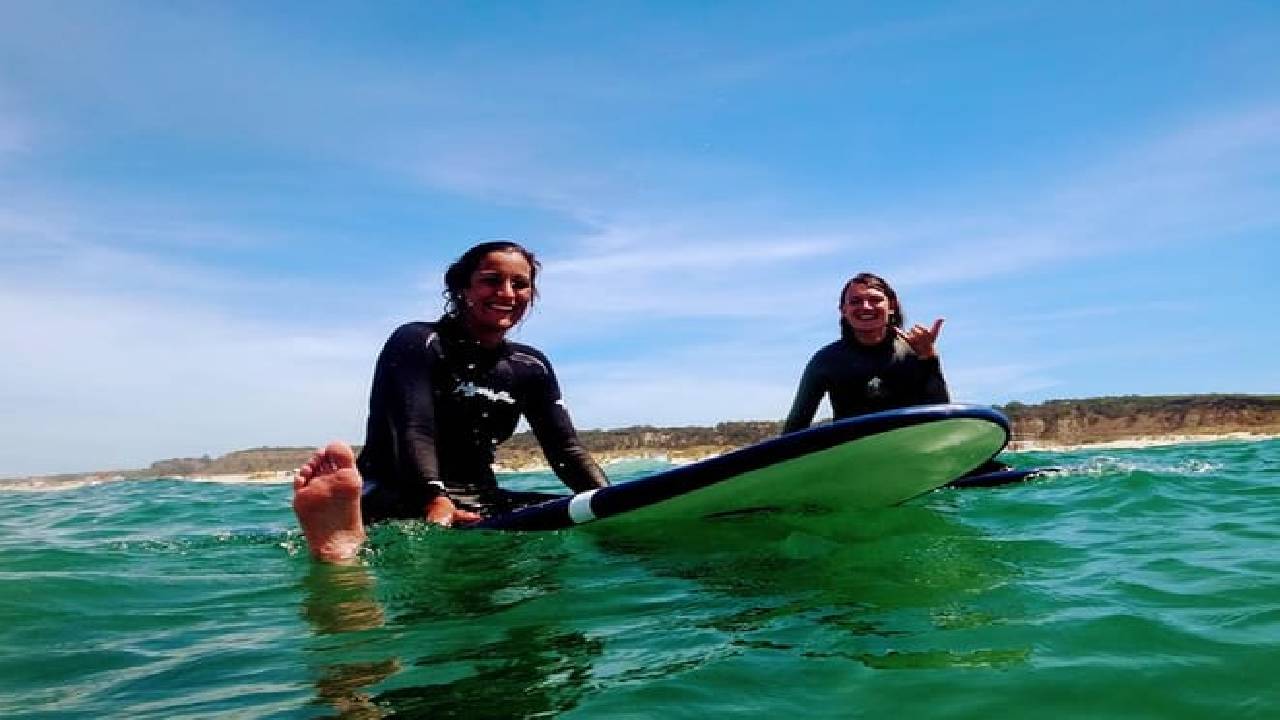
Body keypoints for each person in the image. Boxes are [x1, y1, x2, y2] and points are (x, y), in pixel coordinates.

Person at [293, 241, 609, 562]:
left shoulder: (530, 366)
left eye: (520, 284)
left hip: (480, 498)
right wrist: (434, 498)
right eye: (491, 281)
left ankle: (347, 542)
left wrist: (605, 499)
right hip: (400, 491)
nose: (507, 293)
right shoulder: (420, 342)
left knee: (563, 515)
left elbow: (565, 449)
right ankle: (344, 535)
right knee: (422, 535)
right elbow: (415, 428)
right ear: (462, 288)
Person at [781, 272, 949, 434]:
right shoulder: (826, 361)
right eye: (856, 301)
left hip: (910, 446)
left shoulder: (915, 352)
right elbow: (795, 427)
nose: (866, 307)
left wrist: (929, 357)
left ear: (892, 306)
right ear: (843, 310)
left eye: (875, 300)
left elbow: (943, 420)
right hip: (854, 450)